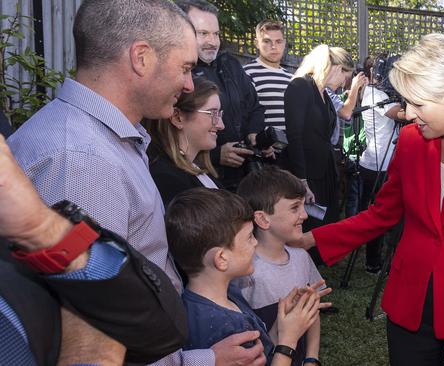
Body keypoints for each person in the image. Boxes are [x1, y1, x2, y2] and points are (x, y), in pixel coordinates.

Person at [7, 1, 265, 364]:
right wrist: (202, 361)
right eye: (186, 67)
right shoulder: (82, 162)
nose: (190, 83)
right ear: (141, 58)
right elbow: (91, 334)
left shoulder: (106, 141)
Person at [291, 33, 444, 366]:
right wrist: (309, 239)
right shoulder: (411, 142)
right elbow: (381, 215)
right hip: (411, 305)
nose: (408, 113)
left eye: (418, 104)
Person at [0, 135, 187, 364]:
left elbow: (161, 329)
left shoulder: (16, 244)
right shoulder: (76, 153)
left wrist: (42, 229)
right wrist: (94, 354)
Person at [165, 187, 321, 366]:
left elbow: (263, 348)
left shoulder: (221, 294)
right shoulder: (229, 327)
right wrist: (288, 341)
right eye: (249, 238)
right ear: (221, 259)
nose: (255, 243)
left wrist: (281, 323)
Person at [236, 166, 326, 366]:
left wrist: (312, 358)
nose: (304, 215)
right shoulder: (246, 271)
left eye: (303, 206)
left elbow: (312, 313)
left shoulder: (301, 257)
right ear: (262, 218)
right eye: (295, 208)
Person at [176, 0, 266, 190]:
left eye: (216, 34)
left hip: (245, 178)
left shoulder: (230, 64)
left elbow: (255, 107)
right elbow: (168, 135)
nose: (212, 41)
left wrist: (254, 137)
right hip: (199, 179)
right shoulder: (176, 73)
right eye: (203, 33)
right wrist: (216, 155)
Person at [284, 44, 354, 229]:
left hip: (327, 174)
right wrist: (301, 180)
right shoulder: (300, 86)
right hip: (309, 176)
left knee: (327, 226)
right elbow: (295, 136)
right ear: (338, 68)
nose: (343, 85)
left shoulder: (325, 94)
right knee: (311, 228)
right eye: (345, 79)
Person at [143, 76, 224, 207]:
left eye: (220, 114)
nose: (221, 125)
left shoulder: (196, 169)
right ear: (177, 118)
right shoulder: (168, 180)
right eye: (212, 114)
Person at [357, 55, 403, 273]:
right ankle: (373, 262)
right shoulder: (374, 93)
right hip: (376, 165)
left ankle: (387, 259)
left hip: (388, 163)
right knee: (377, 215)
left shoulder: (385, 93)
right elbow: (401, 114)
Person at [243, 20, 292, 131]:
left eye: (278, 41)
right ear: (257, 43)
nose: (274, 46)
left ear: (284, 43)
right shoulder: (246, 73)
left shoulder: (291, 78)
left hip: (291, 146)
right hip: (260, 146)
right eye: (267, 41)